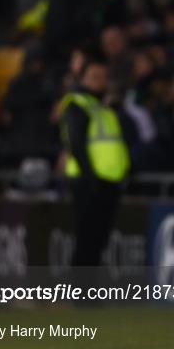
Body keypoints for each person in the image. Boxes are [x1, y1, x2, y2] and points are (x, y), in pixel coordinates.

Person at [59, 54, 131, 288]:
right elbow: (77, 144)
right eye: (94, 77)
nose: (99, 81)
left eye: (102, 77)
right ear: (83, 78)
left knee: (98, 238)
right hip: (88, 181)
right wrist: (90, 178)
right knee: (87, 237)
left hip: (108, 182)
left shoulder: (103, 107)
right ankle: (81, 292)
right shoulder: (78, 104)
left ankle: (88, 290)